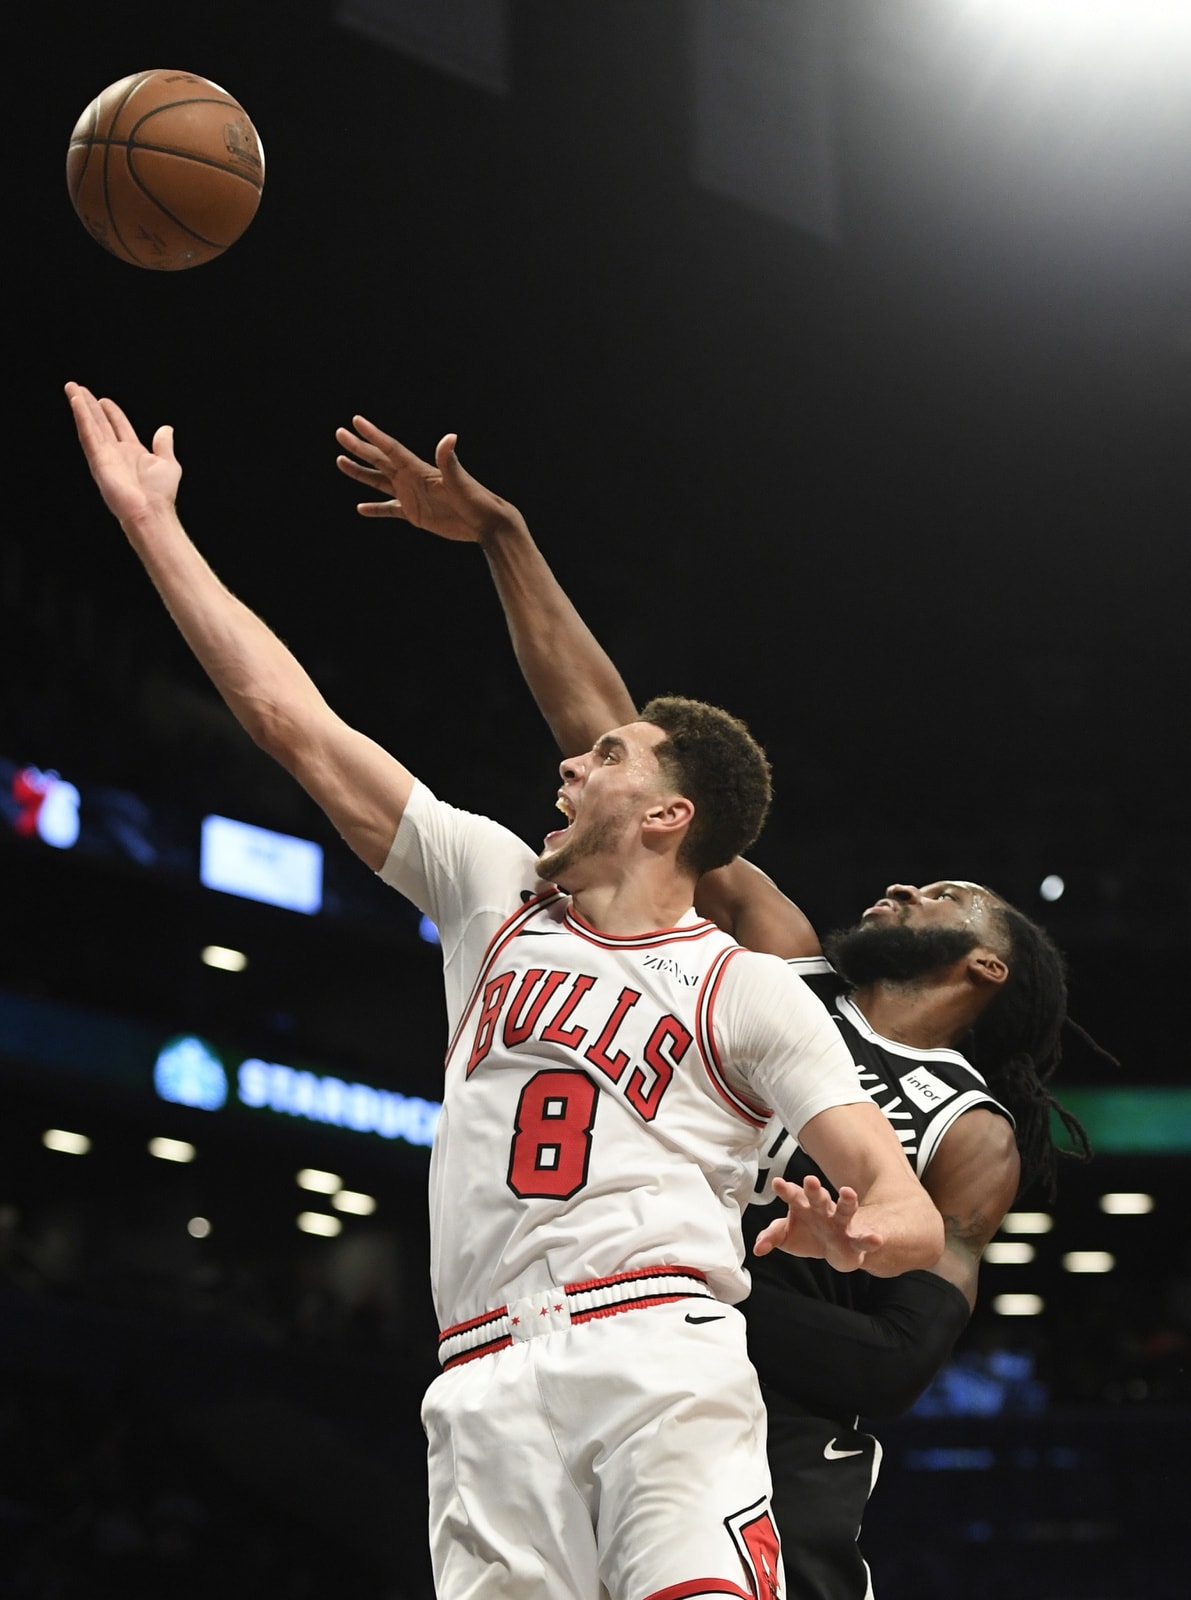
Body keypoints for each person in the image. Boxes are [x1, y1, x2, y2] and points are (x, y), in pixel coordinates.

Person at [65, 382, 944, 1600]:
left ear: (667, 814)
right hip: (480, 1386)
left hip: (660, 1361)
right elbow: (289, 721)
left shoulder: (749, 989)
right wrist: (154, 526)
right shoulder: (489, 886)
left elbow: (911, 1212)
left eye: (607, 756)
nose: (573, 760)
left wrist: (863, 1230)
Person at [332, 415, 1095, 1598]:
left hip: (768, 1421)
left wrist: (693, 1273)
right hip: (619, 1358)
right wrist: (506, 540)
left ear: (986, 971)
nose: (901, 887)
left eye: (946, 895)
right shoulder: (775, 966)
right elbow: (621, 748)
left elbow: (896, 1358)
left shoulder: (967, 1128)